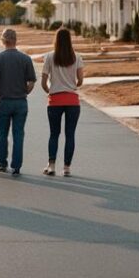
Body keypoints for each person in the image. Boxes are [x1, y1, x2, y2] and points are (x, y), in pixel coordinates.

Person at [0, 28, 36, 175]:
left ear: (3, 41)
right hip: (21, 101)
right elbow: (32, 81)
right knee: (18, 133)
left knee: (2, 133)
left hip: (4, 101)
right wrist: (26, 91)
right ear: (16, 40)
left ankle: (2, 162)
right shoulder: (25, 59)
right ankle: (16, 165)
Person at [40, 28, 84, 177]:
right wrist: (71, 86)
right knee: (70, 134)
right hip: (72, 100)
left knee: (54, 134)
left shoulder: (49, 57)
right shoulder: (77, 57)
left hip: (55, 100)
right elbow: (81, 81)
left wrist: (50, 90)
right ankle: (66, 168)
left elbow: (43, 82)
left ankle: (51, 165)